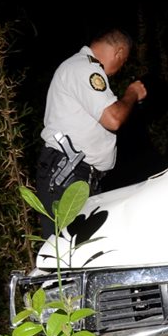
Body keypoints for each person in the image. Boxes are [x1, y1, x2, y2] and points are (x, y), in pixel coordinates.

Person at [36, 28, 146, 238]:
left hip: (78, 175)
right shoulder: (85, 69)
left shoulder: (80, 69)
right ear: (119, 52)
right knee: (67, 255)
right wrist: (132, 92)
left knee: (82, 251)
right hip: (68, 173)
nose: (119, 69)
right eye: (124, 62)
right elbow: (113, 119)